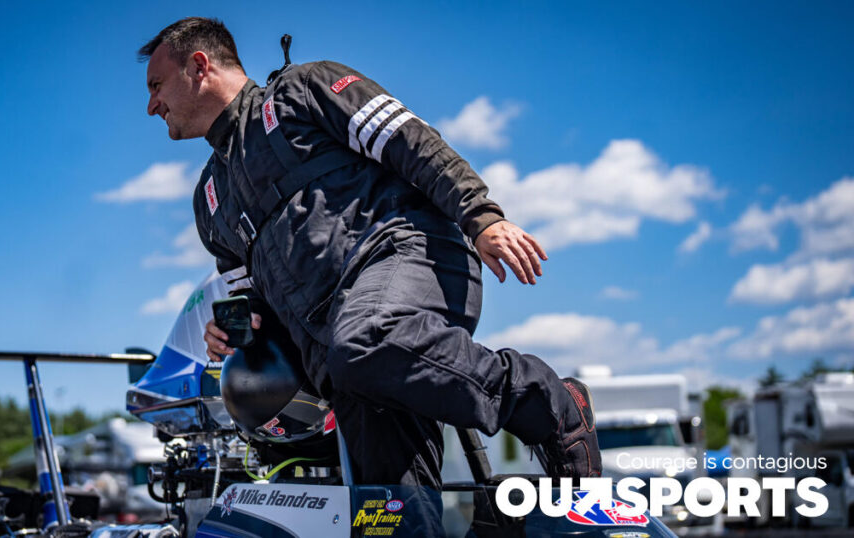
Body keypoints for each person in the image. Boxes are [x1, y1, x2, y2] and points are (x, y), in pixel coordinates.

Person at [138, 17, 601, 489]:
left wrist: (482, 216)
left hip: (410, 258)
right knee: (387, 507)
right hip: (338, 355)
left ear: (199, 66)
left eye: (157, 85)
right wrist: (237, 327)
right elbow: (251, 297)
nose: (152, 105)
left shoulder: (303, 89)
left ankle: (547, 402)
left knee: (366, 339)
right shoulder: (209, 198)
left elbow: (410, 141)